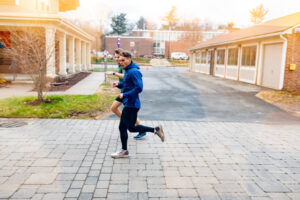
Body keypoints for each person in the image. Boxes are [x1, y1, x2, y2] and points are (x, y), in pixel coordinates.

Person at [111, 51, 164, 158]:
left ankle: (124, 151)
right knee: (131, 128)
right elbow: (127, 84)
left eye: (123, 60)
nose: (121, 62)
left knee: (122, 128)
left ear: (129, 59)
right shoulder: (128, 70)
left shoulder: (133, 71)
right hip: (131, 104)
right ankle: (155, 129)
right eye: (119, 60)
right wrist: (118, 84)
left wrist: (125, 94)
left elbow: (139, 88)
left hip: (131, 104)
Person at [105, 48, 147, 139]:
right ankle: (134, 125)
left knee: (118, 109)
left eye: (118, 57)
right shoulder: (122, 65)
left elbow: (127, 77)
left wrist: (114, 73)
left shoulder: (126, 67)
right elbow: (126, 80)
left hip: (126, 93)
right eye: (115, 57)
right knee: (117, 109)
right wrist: (119, 84)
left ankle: (139, 128)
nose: (117, 59)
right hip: (124, 91)